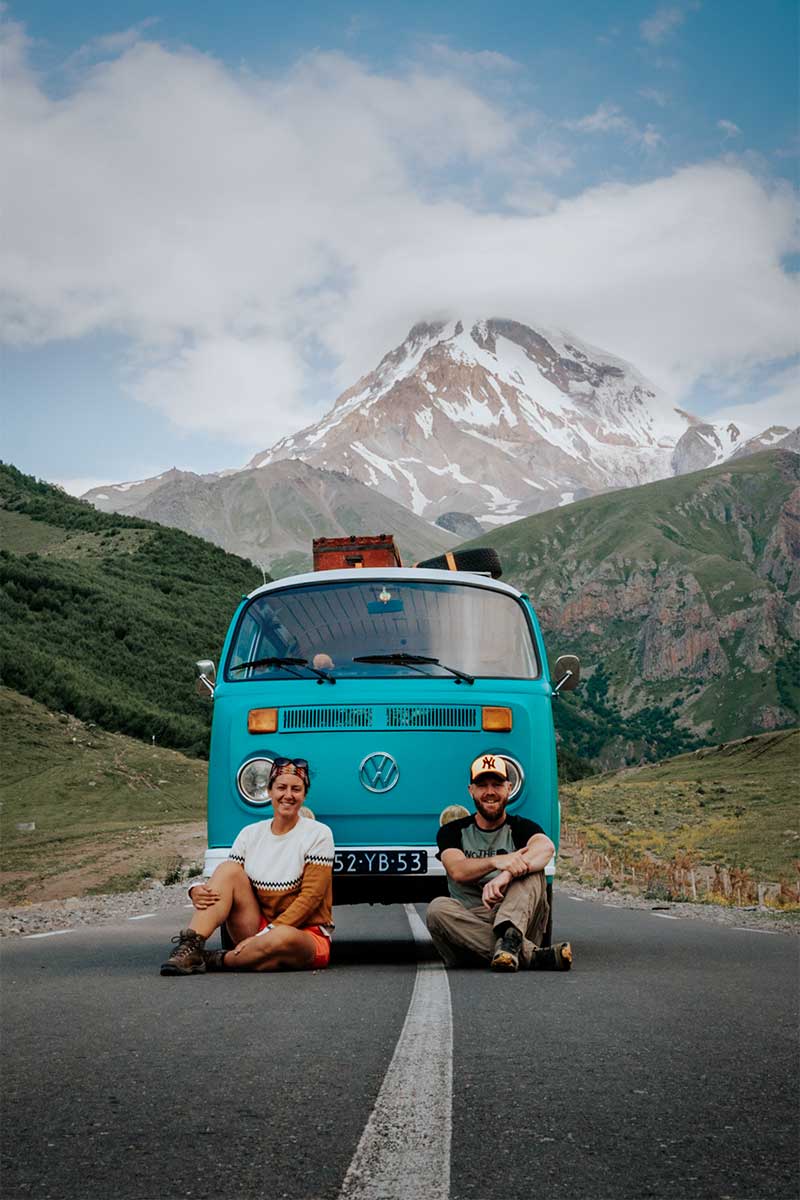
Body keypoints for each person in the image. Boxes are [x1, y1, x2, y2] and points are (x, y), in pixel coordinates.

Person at [160, 757, 334, 975]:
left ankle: (217, 959)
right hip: (255, 927)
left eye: (296, 789)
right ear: (269, 792)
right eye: (281, 787)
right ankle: (191, 946)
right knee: (229, 870)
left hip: (302, 935)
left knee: (280, 942)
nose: (288, 795)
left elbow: (311, 898)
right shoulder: (250, 834)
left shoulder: (319, 834)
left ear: (304, 795)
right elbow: (225, 881)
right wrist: (194, 889)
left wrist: (267, 934)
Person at [426, 753, 572, 973]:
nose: (490, 792)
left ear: (508, 788)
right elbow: (457, 870)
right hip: (468, 925)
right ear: (471, 791)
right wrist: (498, 861)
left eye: (497, 784)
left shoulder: (521, 827)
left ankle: (511, 939)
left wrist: (509, 873)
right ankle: (528, 955)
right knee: (437, 909)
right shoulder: (453, 831)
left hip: (517, 917)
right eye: (482, 785)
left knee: (531, 870)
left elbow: (546, 848)